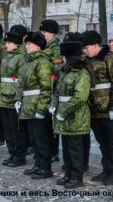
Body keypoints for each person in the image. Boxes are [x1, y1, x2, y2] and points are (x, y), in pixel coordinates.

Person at [50, 41, 95, 188]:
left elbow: (80, 97)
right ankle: (68, 173)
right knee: (67, 147)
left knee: (75, 148)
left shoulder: (81, 73)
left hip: (76, 116)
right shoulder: (64, 72)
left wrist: (62, 112)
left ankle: (77, 176)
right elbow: (57, 92)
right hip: (64, 115)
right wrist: (53, 106)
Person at [16, 32, 54, 179]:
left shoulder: (43, 63)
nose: (26, 46)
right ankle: (38, 164)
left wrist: (41, 108)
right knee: (33, 139)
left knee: (41, 139)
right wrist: (18, 99)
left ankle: (45, 167)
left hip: (37, 105)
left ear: (38, 46)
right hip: (28, 105)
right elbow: (20, 83)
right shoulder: (28, 62)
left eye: (29, 44)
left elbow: (46, 88)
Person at [80, 30, 113, 186]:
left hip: (106, 109)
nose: (85, 50)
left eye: (87, 47)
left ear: (95, 45)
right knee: (102, 142)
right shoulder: (87, 60)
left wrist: (112, 107)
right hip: (92, 109)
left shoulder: (108, 58)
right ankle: (106, 170)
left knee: (111, 141)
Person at [0, 29, 27, 167]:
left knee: (15, 128)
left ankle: (19, 155)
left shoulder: (21, 58)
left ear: (17, 45)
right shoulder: (7, 57)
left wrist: (12, 86)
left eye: (9, 43)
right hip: (2, 95)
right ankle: (12, 152)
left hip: (12, 96)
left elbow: (20, 78)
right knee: (7, 128)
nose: (6, 45)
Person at [39, 19, 62, 163]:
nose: (43, 34)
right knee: (45, 122)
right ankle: (46, 149)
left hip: (52, 86)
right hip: (44, 86)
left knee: (51, 122)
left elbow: (56, 68)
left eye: (45, 32)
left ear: (52, 33)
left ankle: (53, 152)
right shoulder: (44, 46)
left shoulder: (55, 48)